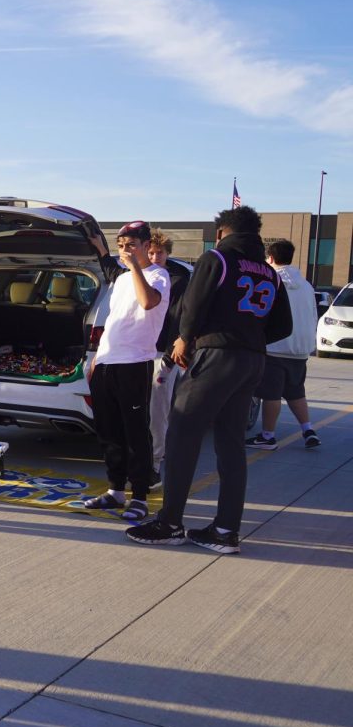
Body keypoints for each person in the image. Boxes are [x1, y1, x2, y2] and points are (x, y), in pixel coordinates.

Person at [127, 206, 292, 554]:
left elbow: (193, 305)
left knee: (182, 432)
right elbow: (283, 326)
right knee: (231, 443)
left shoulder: (218, 258)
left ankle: (170, 522)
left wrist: (186, 338)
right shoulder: (270, 272)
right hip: (253, 360)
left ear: (222, 232)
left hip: (216, 355)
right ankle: (225, 530)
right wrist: (251, 335)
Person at [80, 221, 170, 521]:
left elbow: (147, 303)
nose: (126, 251)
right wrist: (96, 360)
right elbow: (115, 319)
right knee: (109, 431)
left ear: (146, 246)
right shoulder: (119, 281)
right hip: (107, 362)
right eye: (122, 245)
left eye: (131, 245)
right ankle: (115, 490)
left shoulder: (158, 275)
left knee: (135, 433)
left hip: (135, 363)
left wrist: (133, 267)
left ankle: (140, 496)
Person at [246, 239, 321, 450]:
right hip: (301, 349)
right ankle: (308, 430)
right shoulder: (306, 285)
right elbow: (312, 315)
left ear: (270, 258)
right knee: (296, 391)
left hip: (276, 347)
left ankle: (268, 436)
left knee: (271, 394)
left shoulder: (271, 281)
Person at [147, 228, 191, 486]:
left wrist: (172, 353)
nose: (154, 257)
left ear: (168, 253)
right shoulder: (136, 274)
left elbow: (182, 317)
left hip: (163, 353)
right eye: (150, 252)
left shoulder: (180, 277)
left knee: (158, 410)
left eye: (159, 253)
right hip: (137, 349)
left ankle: (155, 464)